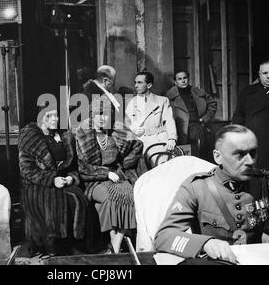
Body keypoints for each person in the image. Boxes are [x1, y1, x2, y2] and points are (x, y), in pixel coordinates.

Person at [154, 124, 269, 264]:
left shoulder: (266, 184)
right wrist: (206, 244)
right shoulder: (197, 187)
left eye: (253, 153)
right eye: (239, 154)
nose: (250, 161)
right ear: (218, 157)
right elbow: (163, 237)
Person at [18, 107, 91, 255]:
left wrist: (71, 177)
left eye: (56, 116)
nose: (54, 119)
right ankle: (52, 246)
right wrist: (52, 180)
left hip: (63, 181)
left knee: (79, 199)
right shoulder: (30, 137)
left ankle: (74, 243)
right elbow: (27, 170)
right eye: (49, 116)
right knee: (54, 201)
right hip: (37, 184)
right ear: (40, 117)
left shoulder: (64, 136)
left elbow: (73, 166)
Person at [75, 95, 143, 253]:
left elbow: (138, 144)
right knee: (111, 198)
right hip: (94, 180)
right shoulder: (83, 134)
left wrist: (124, 165)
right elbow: (83, 167)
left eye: (105, 115)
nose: (102, 118)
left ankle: (115, 245)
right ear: (92, 116)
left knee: (130, 195)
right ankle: (113, 242)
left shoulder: (116, 132)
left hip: (118, 176)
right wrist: (106, 174)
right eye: (98, 115)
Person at [126, 72, 177, 171]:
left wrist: (172, 138)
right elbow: (126, 122)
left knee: (162, 171)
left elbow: (169, 121)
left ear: (149, 85)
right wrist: (132, 129)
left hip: (158, 141)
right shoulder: (132, 102)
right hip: (140, 142)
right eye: (135, 82)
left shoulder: (162, 101)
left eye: (140, 82)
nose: (136, 85)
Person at [166, 71, 217, 160]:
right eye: (180, 79)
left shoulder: (198, 92)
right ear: (175, 82)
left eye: (185, 78)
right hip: (181, 130)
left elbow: (212, 104)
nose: (183, 81)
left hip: (198, 127)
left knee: (200, 155)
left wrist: (204, 119)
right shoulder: (170, 97)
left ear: (188, 79)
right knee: (184, 156)